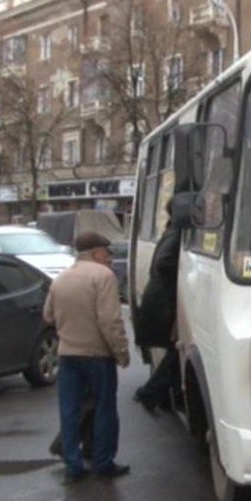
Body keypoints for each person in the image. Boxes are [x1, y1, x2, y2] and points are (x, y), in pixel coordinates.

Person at [42, 231, 132, 484]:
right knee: (105, 410)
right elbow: (109, 321)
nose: (110, 257)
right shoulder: (103, 276)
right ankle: (103, 463)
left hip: (68, 355)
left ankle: (73, 465)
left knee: (69, 412)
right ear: (95, 253)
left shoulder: (61, 278)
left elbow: (48, 316)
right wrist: (121, 352)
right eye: (107, 252)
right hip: (97, 356)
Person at [133, 202, 180, 413]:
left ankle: (161, 396)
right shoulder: (178, 233)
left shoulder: (172, 230)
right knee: (177, 352)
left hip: (163, 299)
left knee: (177, 351)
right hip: (165, 302)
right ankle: (150, 393)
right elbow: (165, 263)